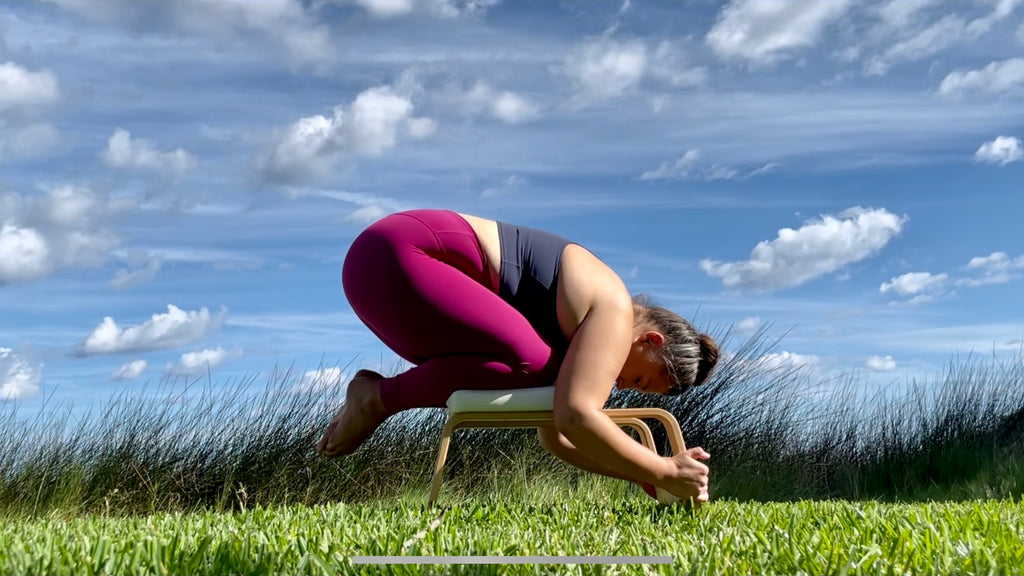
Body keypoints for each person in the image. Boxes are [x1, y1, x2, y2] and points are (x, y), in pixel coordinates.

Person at [317, 209, 719, 505]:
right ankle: (377, 396)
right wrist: (665, 468)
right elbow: (576, 416)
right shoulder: (614, 310)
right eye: (639, 380)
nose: (621, 385)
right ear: (651, 340)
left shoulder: (581, 332)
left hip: (374, 271)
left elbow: (557, 436)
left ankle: (377, 394)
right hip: (402, 255)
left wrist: (650, 478)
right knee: (539, 369)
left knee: (542, 374)